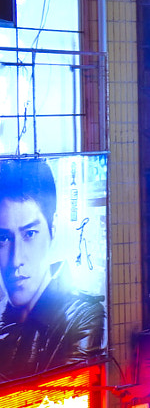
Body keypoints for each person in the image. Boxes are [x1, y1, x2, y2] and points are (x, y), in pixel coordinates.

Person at [0, 159, 101, 382]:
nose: (16, 260)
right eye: (4, 238)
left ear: (52, 230)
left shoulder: (82, 315)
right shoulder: (3, 315)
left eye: (30, 234)